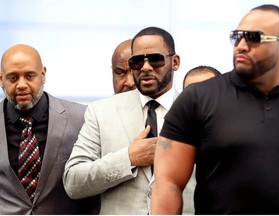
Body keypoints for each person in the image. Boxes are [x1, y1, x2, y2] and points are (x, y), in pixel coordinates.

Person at [152, 4, 279, 215]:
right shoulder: (198, 98)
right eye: (237, 37)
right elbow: (167, 184)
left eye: (254, 38)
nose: (241, 46)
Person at [63, 26, 182, 214]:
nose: (145, 67)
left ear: (175, 62)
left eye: (155, 59)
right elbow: (73, 182)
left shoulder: (197, 111)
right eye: (137, 62)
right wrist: (128, 158)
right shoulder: (101, 111)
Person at [0, 44, 100, 214]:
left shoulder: (82, 118)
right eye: (13, 78)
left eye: (29, 76)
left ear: (43, 74)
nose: (21, 85)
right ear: (1, 79)